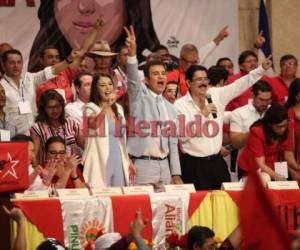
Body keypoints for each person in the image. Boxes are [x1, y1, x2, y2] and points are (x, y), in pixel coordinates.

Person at [174, 56, 272, 190]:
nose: (203, 83)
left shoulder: (215, 95)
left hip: (217, 162)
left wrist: (261, 69)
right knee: (199, 207)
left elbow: (240, 84)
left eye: (205, 79)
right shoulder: (180, 105)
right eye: (198, 79)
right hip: (194, 165)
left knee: (225, 202)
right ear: (188, 83)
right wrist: (202, 115)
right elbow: (183, 137)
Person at [124, 26, 183, 191]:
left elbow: (172, 144)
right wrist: (131, 54)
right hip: (142, 165)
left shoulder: (172, 108)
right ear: (147, 80)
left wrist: (176, 172)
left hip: (164, 167)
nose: (161, 77)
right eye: (155, 74)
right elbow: (133, 79)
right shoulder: (138, 97)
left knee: (165, 212)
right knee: (142, 210)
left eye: (163, 73)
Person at [28, 0, 160, 72]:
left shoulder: (131, 75)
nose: (84, 6)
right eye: (97, 56)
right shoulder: (51, 76)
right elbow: (83, 50)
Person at [82, 73, 134, 188]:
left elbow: (121, 140)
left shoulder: (119, 109)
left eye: (110, 84)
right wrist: (106, 106)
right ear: (96, 89)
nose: (108, 88)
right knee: (102, 197)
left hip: (119, 160)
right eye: (102, 85)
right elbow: (94, 125)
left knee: (119, 199)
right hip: (99, 159)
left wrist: (128, 160)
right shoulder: (90, 107)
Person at [238, 104, 300, 181]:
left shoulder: (289, 125)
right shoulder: (257, 132)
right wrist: (279, 177)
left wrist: (297, 167)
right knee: (265, 181)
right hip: (252, 169)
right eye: (278, 127)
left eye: (284, 125)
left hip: (272, 166)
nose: (282, 129)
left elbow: (288, 155)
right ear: (269, 124)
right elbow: (261, 164)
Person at [167, 26, 229, 96]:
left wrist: (219, 38)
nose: (194, 65)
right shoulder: (172, 77)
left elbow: (207, 49)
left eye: (196, 62)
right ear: (181, 60)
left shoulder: (199, 73)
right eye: (190, 62)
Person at [230, 80, 272, 179]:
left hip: (271, 163)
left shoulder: (273, 112)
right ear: (253, 96)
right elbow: (235, 143)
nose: (265, 103)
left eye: (268, 100)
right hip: (248, 165)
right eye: (261, 99)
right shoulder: (239, 113)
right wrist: (255, 131)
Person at [31, 90, 83, 165]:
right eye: (50, 107)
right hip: (49, 172)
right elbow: (33, 156)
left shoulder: (71, 122)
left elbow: (85, 145)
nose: (55, 110)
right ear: (44, 109)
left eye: (58, 106)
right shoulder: (37, 128)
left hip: (72, 170)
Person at [285, 78, 300, 182]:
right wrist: (292, 169)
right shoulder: (286, 115)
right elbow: (283, 147)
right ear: (295, 95)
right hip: (293, 166)